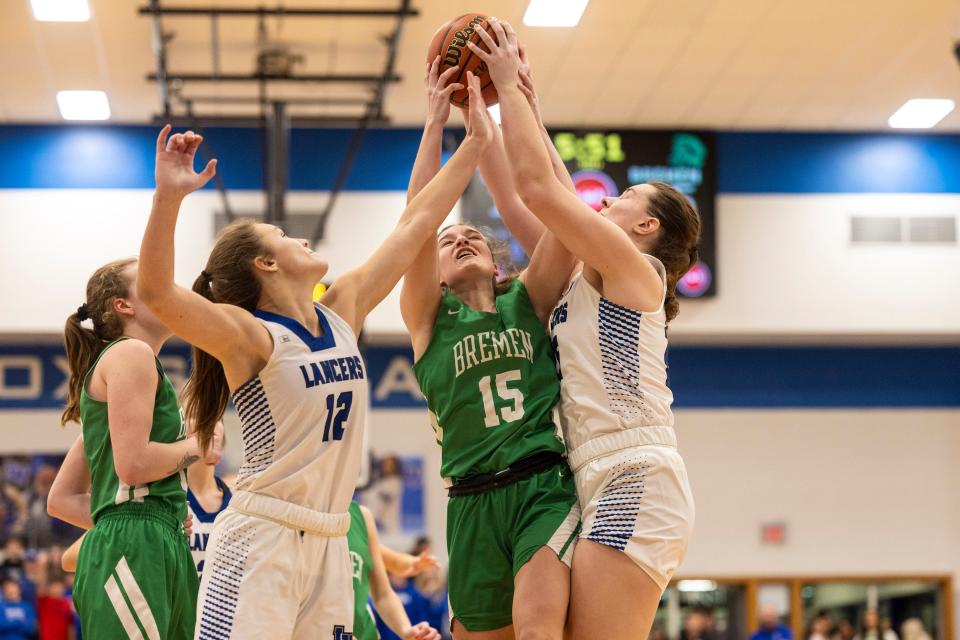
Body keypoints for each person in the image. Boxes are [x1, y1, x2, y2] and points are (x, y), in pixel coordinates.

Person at [137, 79, 492, 639]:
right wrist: (168, 199)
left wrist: (471, 142)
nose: (299, 239)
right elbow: (156, 293)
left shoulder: (342, 308)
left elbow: (417, 223)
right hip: (261, 537)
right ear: (265, 265)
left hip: (329, 541)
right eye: (281, 235)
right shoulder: (248, 335)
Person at [469, 18, 701, 640]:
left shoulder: (637, 271)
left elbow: (545, 191)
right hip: (591, 474)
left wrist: (510, 89)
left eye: (625, 195)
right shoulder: (581, 274)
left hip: (633, 472)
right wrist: (491, 107)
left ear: (647, 227)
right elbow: (520, 197)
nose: (608, 200)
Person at [402, 61, 581, 639]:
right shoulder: (428, 319)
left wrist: (519, 103)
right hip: (470, 502)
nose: (461, 236)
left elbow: (568, 216)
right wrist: (435, 121)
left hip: (541, 487)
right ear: (435, 269)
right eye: (447, 240)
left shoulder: (527, 299)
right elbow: (415, 223)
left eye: (472, 233)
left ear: (496, 259)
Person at [58, 257, 221, 640]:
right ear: (123, 306)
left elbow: (61, 499)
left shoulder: (132, 371)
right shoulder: (130, 353)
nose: (166, 286)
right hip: (135, 545)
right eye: (150, 280)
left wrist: (157, 512)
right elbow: (133, 466)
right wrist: (197, 446)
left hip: (154, 538)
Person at [347, 501, 440, 640]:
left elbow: (383, 595)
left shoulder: (361, 516)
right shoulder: (306, 518)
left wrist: (408, 631)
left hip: (365, 634)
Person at [185, 422, 232, 577]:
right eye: (198, 412)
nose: (209, 419)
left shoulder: (238, 502)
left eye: (217, 414)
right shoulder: (168, 501)